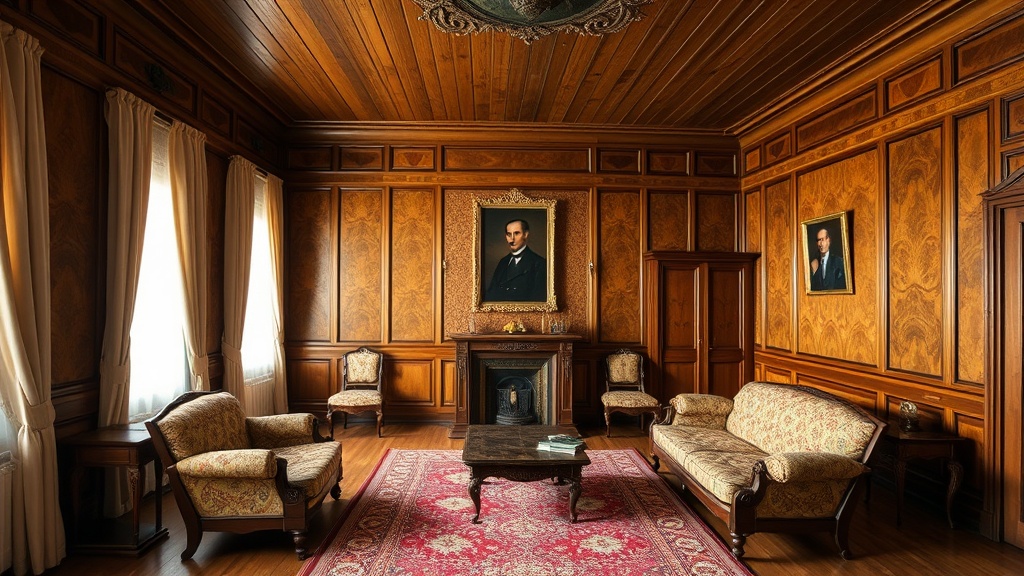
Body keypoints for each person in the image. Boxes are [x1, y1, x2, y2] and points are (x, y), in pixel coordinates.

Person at [485, 218, 546, 301]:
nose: (512, 239)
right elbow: (491, 294)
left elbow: (538, 300)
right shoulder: (503, 262)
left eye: (516, 233)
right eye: (509, 234)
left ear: (526, 234)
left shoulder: (539, 263)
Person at [809, 226, 846, 291]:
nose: (820, 244)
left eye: (822, 239)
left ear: (828, 240)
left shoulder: (839, 261)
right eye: (818, 240)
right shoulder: (814, 263)